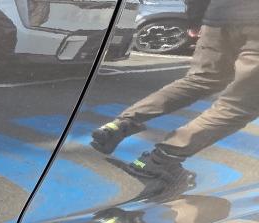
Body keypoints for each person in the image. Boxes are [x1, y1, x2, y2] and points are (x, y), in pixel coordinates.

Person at [91, 0, 259, 182]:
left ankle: (119, 125)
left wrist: (196, 18)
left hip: (219, 16)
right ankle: (160, 161)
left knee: (200, 80)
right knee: (239, 105)